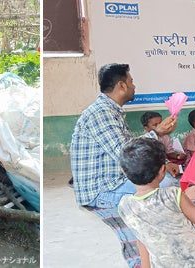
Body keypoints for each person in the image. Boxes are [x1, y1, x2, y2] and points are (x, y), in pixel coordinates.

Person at [117, 138, 195, 268]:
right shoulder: (171, 195)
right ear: (163, 170)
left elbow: (142, 240)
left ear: (125, 172)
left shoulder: (124, 206)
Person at [70, 63, 178, 208]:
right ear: (122, 86)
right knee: (167, 186)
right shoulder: (101, 113)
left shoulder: (110, 111)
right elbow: (127, 153)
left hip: (116, 182)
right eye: (131, 82)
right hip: (103, 191)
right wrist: (157, 133)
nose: (134, 86)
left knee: (165, 181)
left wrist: (162, 163)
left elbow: (129, 146)